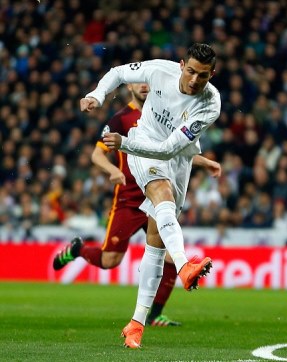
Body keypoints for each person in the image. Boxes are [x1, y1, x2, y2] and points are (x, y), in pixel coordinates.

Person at [80, 43, 222, 348]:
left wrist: (123, 143)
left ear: (213, 74)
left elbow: (172, 148)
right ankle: (184, 265)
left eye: (204, 76)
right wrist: (97, 94)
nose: (195, 80)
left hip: (178, 157)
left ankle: (136, 324)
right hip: (143, 144)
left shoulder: (211, 104)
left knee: (156, 244)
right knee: (162, 195)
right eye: (191, 71)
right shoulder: (160, 70)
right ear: (182, 64)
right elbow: (118, 73)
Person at [53, 83, 217, 327]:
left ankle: (155, 314)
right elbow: (97, 154)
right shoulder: (120, 119)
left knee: (172, 258)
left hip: (155, 196)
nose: (144, 86)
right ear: (129, 85)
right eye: (139, 82)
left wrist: (205, 162)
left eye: (148, 83)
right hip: (128, 200)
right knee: (110, 261)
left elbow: (174, 149)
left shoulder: (162, 113)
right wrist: (112, 170)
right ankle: (78, 250)